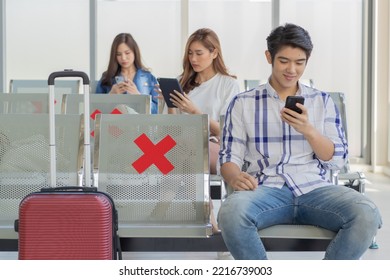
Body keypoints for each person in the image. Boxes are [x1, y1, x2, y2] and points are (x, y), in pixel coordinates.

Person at [218, 23, 382, 260]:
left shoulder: (322, 101)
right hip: (264, 189)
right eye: (284, 61)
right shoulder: (243, 103)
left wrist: (309, 130)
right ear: (269, 57)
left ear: (307, 60)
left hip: (315, 188)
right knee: (231, 213)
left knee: (367, 215)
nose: (291, 69)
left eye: (299, 62)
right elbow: (228, 157)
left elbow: (336, 161)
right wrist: (234, 176)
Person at [165, 28, 240, 175]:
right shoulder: (181, 82)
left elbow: (227, 132)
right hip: (180, 146)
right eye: (190, 53)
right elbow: (172, 131)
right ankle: (193, 197)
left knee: (186, 147)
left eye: (199, 53)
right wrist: (170, 103)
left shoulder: (228, 84)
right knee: (175, 147)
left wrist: (195, 112)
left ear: (214, 53)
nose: (193, 59)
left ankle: (167, 196)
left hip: (215, 146)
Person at [96, 33, 158, 114]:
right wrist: (110, 95)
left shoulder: (149, 78)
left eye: (127, 53)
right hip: (113, 125)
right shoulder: (107, 78)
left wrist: (139, 97)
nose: (123, 58)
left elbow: (156, 112)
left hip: (140, 125)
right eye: (118, 54)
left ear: (134, 52)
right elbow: (95, 111)